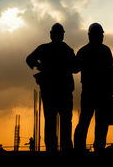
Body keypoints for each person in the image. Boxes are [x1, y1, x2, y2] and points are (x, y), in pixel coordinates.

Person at [26, 23, 76, 152]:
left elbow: (29, 59)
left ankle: (52, 149)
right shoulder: (67, 50)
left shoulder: (44, 49)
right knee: (64, 121)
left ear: (51, 34)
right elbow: (76, 68)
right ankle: (65, 148)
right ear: (62, 35)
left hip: (50, 91)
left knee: (50, 121)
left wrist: (40, 67)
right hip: (63, 91)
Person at [73, 23, 113, 152]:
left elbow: (75, 69)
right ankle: (95, 148)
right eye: (100, 35)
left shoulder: (85, 51)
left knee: (93, 122)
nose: (101, 37)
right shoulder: (104, 50)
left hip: (93, 93)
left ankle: (81, 148)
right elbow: (112, 72)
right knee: (97, 122)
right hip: (98, 93)